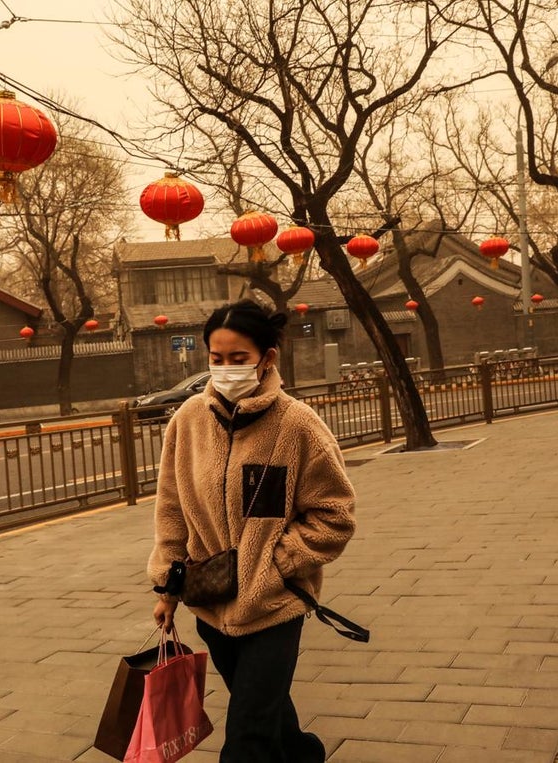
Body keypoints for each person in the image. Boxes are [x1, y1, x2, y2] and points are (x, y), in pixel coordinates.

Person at [149, 299, 356, 762]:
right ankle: (304, 755)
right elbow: (171, 510)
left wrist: (272, 567)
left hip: (273, 607)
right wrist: (167, 588)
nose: (226, 369)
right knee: (265, 712)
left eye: (238, 358)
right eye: (217, 358)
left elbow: (334, 515)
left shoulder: (297, 425)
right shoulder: (188, 422)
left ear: (267, 358)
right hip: (211, 606)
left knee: (247, 737)